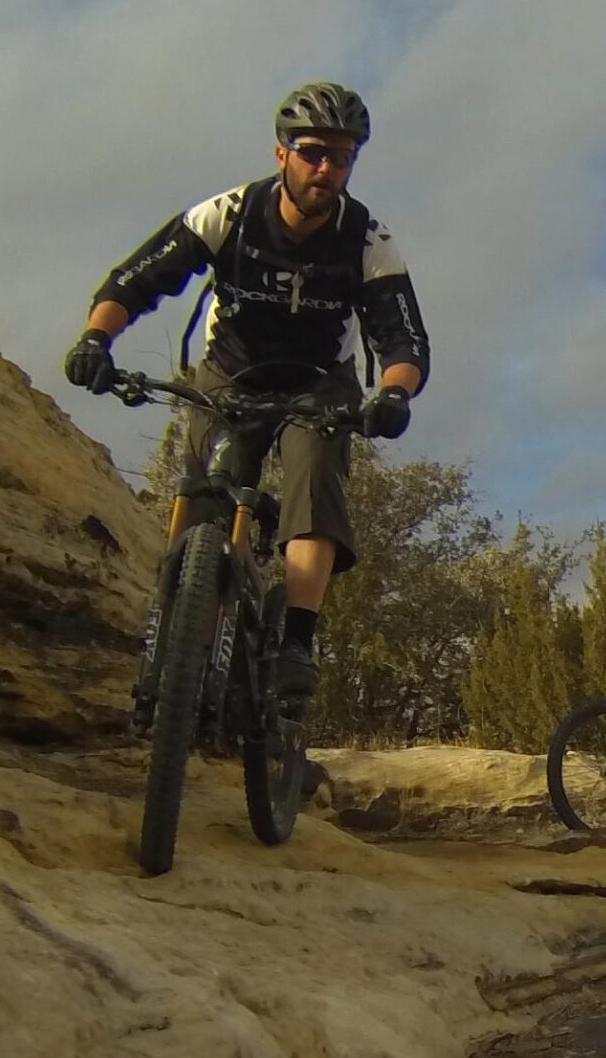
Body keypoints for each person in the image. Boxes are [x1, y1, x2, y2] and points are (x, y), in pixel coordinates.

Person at [64, 82, 429, 705]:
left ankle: (296, 642)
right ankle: (186, 652)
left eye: (341, 157)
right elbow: (137, 279)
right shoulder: (229, 214)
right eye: (313, 151)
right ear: (281, 152)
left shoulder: (368, 238)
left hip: (318, 385)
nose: (326, 168)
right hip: (230, 373)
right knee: (207, 490)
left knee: (312, 477)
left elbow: (404, 342)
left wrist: (393, 395)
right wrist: (96, 341)